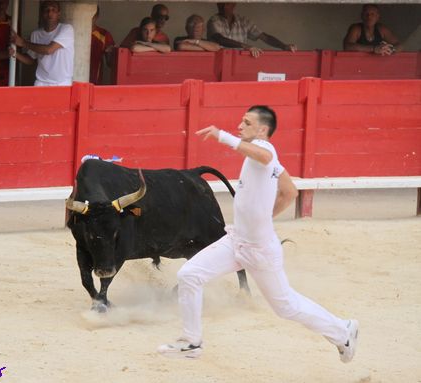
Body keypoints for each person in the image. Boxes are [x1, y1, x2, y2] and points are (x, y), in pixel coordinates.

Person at [157, 105, 359, 362]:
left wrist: (222, 136)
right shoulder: (265, 159)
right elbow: (290, 192)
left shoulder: (267, 150)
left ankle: (343, 331)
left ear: (262, 130)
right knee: (189, 275)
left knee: (285, 306)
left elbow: (264, 157)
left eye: (247, 123)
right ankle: (191, 342)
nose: (239, 126)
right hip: (236, 241)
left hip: (260, 249)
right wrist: (263, 216)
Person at [10, 1, 74, 86]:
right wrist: (15, 54)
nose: (50, 13)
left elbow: (49, 50)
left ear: (59, 14)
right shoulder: (36, 34)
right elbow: (31, 60)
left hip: (62, 83)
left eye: (53, 10)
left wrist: (23, 43)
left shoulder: (66, 29)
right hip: (41, 82)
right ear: (41, 14)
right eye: (46, 10)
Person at [207, 2, 296, 58]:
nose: (223, 7)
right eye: (220, 4)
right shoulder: (214, 20)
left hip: (239, 64)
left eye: (227, 4)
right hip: (219, 63)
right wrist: (246, 46)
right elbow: (220, 39)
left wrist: (284, 46)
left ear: (234, 4)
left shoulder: (243, 21)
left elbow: (264, 37)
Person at [90, 6, 114, 85]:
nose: (89, 17)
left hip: (95, 79)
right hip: (73, 77)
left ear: (97, 16)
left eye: (92, 14)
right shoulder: (71, 32)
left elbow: (110, 63)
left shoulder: (104, 34)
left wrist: (111, 52)